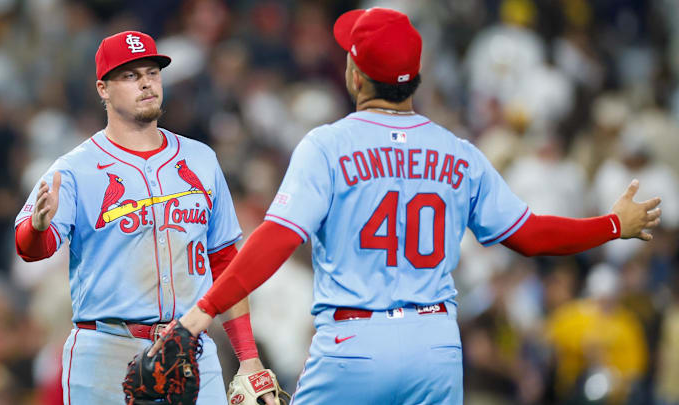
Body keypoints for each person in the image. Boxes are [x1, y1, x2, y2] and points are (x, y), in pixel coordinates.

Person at [145, 8, 662, 404]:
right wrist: (613, 223)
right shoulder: (459, 152)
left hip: (354, 344)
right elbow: (529, 235)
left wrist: (200, 313)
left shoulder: (327, 145)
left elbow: (276, 240)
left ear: (355, 73)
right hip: (434, 346)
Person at [14, 31, 276, 405]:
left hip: (193, 352)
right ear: (103, 89)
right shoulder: (73, 169)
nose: (146, 83)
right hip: (106, 351)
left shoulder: (201, 159)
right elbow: (32, 249)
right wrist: (38, 228)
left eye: (152, 72)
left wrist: (249, 358)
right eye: (130, 76)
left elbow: (224, 262)